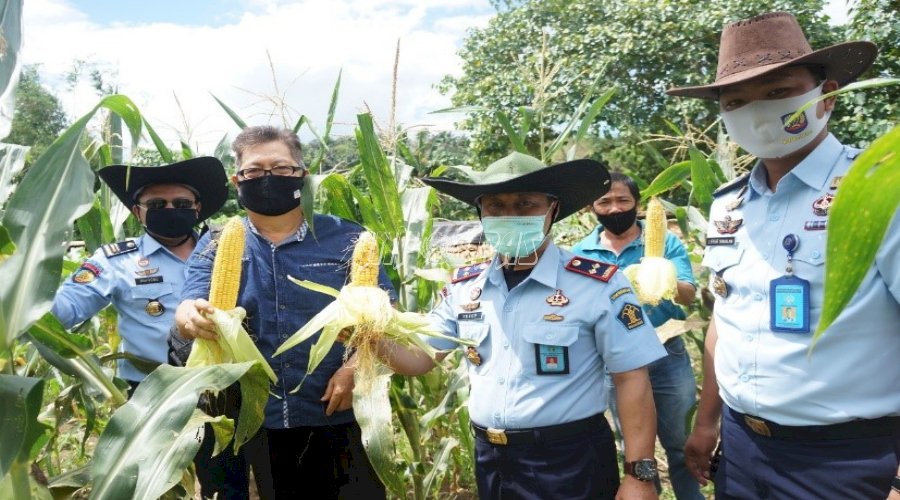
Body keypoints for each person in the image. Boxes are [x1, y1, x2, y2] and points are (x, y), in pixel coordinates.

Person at [667, 11, 900, 498]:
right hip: (741, 446)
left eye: (778, 93)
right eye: (736, 101)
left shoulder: (878, 190)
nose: (757, 112)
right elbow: (725, 320)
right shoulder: (728, 204)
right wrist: (707, 421)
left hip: (844, 459)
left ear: (826, 95)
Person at [377, 152, 666, 499]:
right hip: (491, 459)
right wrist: (366, 335)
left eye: (525, 204)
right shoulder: (464, 287)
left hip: (569, 460)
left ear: (553, 210)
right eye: (495, 206)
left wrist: (640, 475)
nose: (509, 215)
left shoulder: (599, 285)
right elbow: (420, 359)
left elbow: (632, 378)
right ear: (481, 213)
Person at [174, 125, 390, 499]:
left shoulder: (346, 237)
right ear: (237, 179)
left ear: (302, 175)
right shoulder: (216, 241)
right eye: (255, 171)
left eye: (282, 168)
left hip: (336, 406)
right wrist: (189, 317)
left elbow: (380, 312)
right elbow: (190, 301)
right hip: (259, 413)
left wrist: (354, 368)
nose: (267, 178)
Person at [49, 157, 248, 499]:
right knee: (154, 487)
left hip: (221, 388)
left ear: (197, 209)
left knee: (225, 487)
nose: (170, 209)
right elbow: (63, 311)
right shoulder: (115, 261)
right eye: (157, 204)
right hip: (153, 392)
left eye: (182, 204)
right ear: (137, 212)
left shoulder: (229, 251)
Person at [570, 172, 702, 500]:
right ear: (591, 208)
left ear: (637, 204)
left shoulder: (666, 243)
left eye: (623, 200)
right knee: (632, 447)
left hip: (666, 353)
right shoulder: (580, 253)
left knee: (680, 442)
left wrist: (663, 275)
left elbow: (688, 295)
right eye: (605, 202)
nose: (615, 209)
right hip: (614, 363)